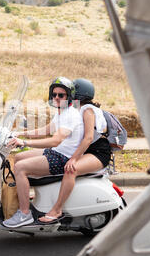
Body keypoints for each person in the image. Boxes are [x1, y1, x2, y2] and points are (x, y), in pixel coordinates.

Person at [2, 77, 84, 228]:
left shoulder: (71, 114)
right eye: (54, 95)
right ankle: (26, 196)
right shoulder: (61, 111)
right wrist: (21, 133)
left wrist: (25, 142)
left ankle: (24, 213)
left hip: (63, 158)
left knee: (21, 168)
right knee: (18, 157)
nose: (57, 98)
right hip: (56, 152)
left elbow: (55, 140)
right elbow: (47, 129)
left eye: (61, 95)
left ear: (69, 96)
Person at [38, 78, 112, 224]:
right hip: (87, 149)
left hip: (97, 152)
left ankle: (57, 209)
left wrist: (74, 158)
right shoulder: (76, 108)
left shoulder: (87, 110)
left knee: (71, 169)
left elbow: (88, 138)